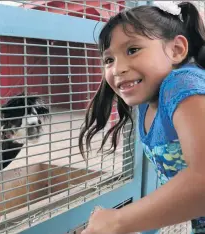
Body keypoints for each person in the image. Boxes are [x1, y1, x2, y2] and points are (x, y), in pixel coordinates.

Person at [77, 1, 205, 234]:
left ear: (176, 50)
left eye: (132, 50)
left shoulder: (183, 84)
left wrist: (118, 221)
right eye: (109, 60)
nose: (117, 69)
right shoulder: (147, 104)